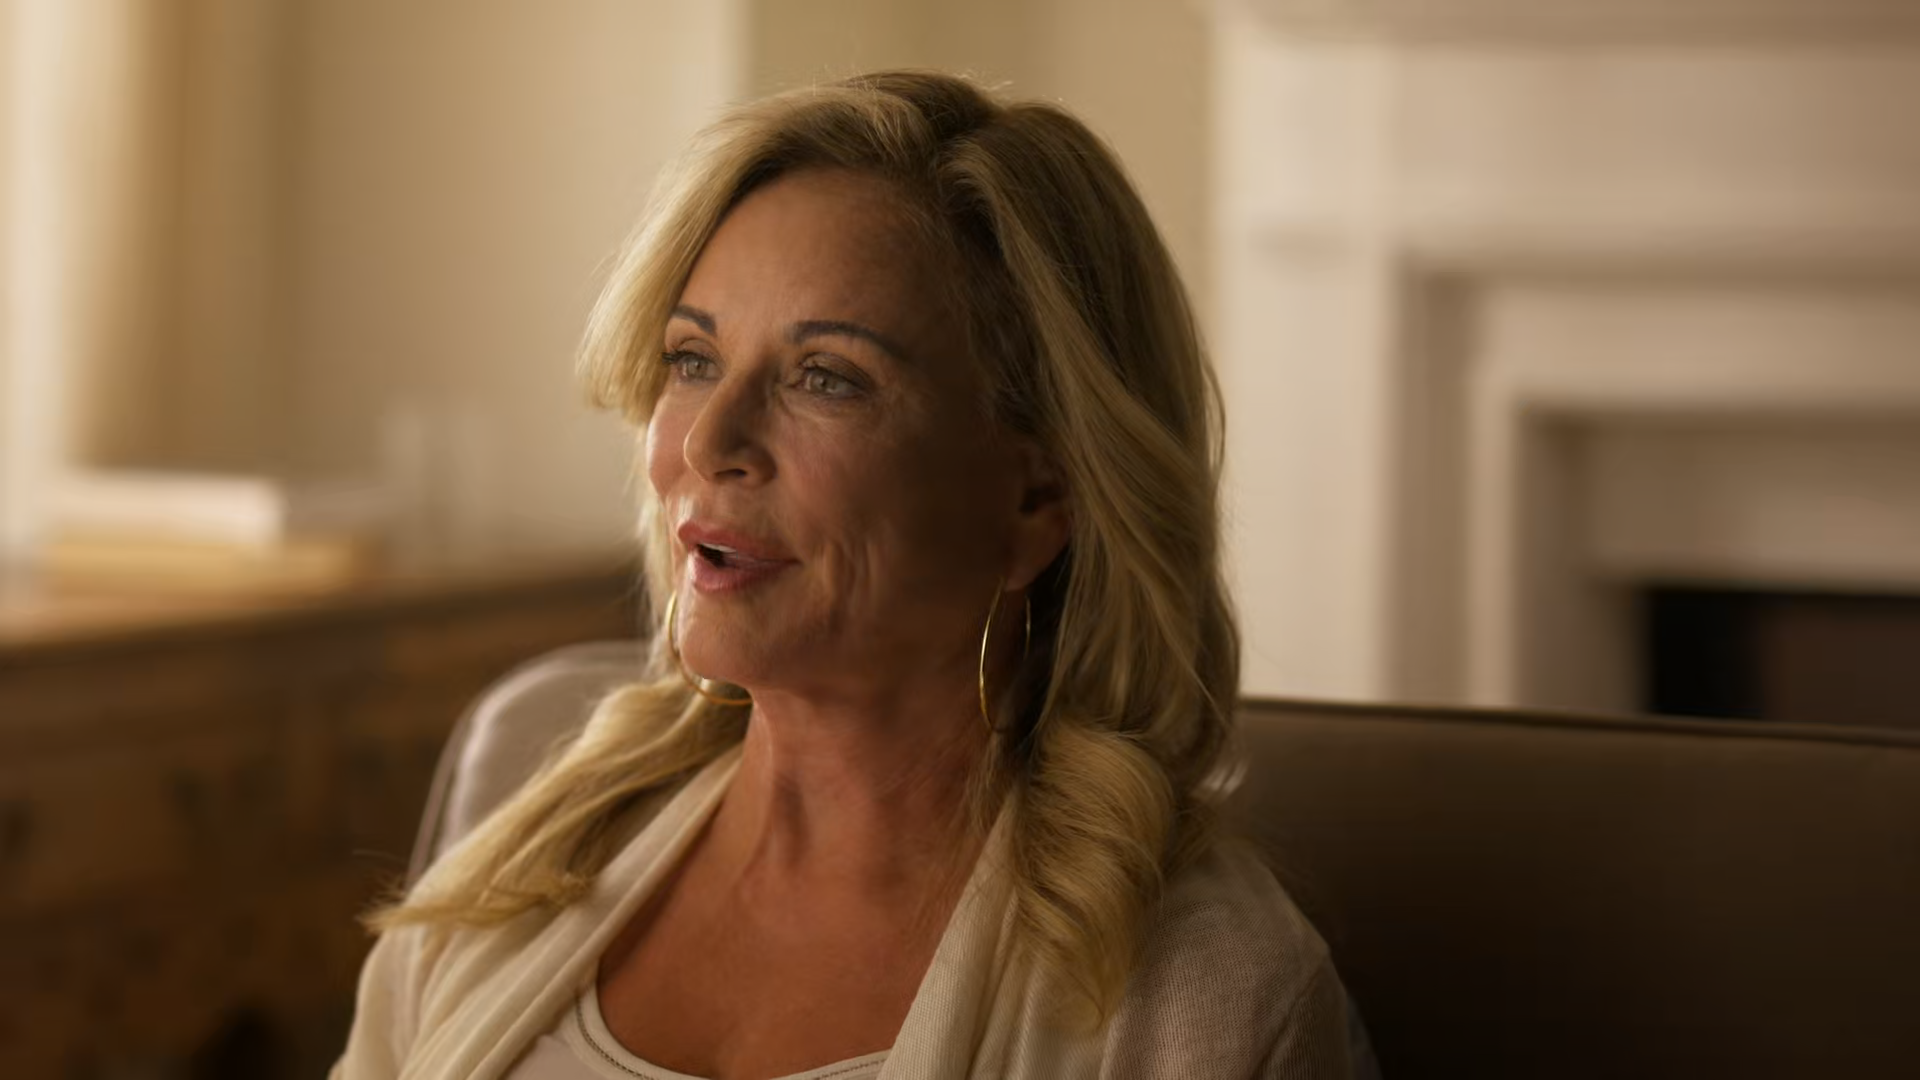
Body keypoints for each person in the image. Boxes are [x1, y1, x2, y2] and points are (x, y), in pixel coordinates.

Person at [331, 70, 1358, 1080]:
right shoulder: (525, 869)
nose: (709, 443)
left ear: (1036, 501)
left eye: (825, 378)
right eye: (693, 359)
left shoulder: (1206, 1007)